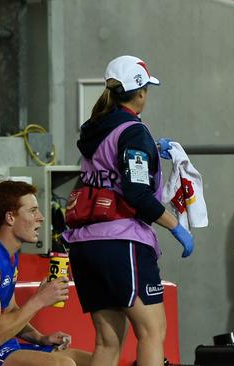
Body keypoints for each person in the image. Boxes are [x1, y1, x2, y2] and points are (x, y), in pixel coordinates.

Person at [62, 55, 194, 366]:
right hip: (121, 242)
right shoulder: (133, 132)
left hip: (83, 246)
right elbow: (136, 193)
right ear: (141, 92)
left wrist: (148, 149)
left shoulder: (96, 128)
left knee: (107, 342)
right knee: (152, 331)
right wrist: (175, 226)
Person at [0, 180, 92, 366]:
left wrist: (40, 338)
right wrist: (39, 300)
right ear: (10, 218)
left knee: (91, 361)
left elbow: (10, 311)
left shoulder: (9, 255)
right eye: (32, 210)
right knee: (62, 364)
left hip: (0, 345)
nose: (41, 217)